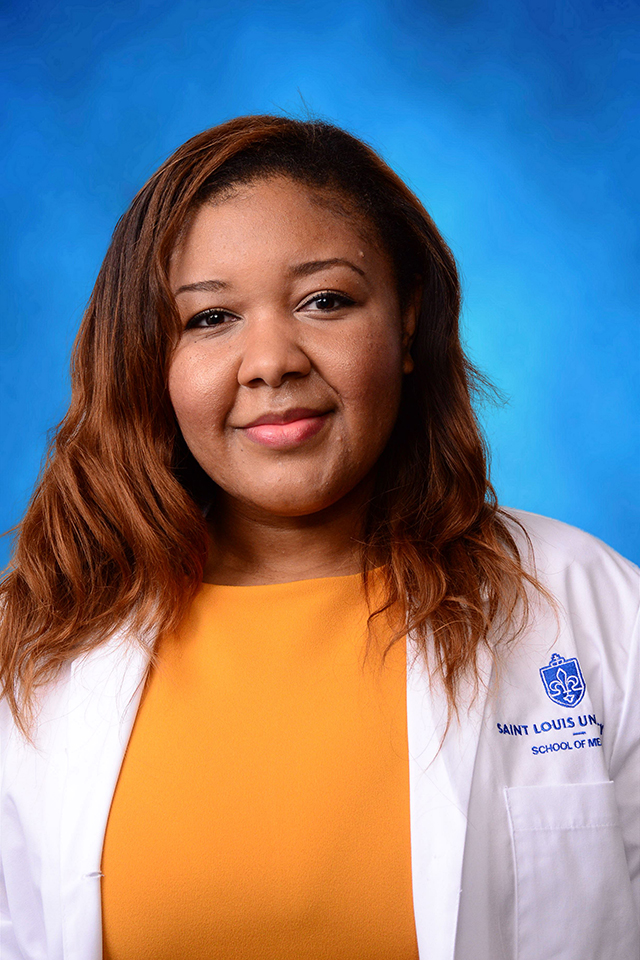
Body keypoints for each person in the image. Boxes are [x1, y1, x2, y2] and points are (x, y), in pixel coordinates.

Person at [0, 114, 638, 960]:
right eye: (210, 318)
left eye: (325, 301)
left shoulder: (590, 606)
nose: (271, 360)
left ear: (407, 322)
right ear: (149, 359)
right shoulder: (39, 646)